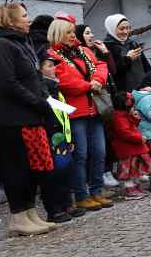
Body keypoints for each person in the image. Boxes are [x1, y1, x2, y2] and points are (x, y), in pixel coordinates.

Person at [0, 1, 58, 237]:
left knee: (31, 168)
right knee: (16, 169)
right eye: (25, 16)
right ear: (10, 21)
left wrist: (45, 95)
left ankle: (29, 213)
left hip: (28, 116)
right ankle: (18, 217)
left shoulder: (20, 43)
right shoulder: (1, 46)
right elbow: (7, 84)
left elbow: (32, 78)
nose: (29, 20)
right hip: (10, 119)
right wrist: (37, 102)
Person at [46, 18, 111, 212]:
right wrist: (89, 85)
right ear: (58, 33)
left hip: (94, 109)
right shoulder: (52, 55)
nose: (73, 35)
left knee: (99, 152)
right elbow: (63, 81)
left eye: (73, 31)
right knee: (81, 154)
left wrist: (98, 80)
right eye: (68, 32)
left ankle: (97, 191)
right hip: (75, 112)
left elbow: (101, 65)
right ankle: (82, 195)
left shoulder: (83, 51)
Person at [37, 53, 77, 223]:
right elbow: (51, 111)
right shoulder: (43, 87)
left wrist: (69, 138)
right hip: (52, 136)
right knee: (55, 172)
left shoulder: (54, 86)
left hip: (61, 137)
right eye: (49, 66)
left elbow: (64, 114)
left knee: (65, 169)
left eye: (53, 66)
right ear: (40, 69)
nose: (53, 69)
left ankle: (66, 204)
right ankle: (55, 209)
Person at [104, 15, 151, 94]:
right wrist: (128, 58)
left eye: (128, 28)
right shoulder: (106, 47)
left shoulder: (133, 44)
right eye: (121, 29)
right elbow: (112, 70)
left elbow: (146, 65)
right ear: (112, 29)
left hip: (142, 90)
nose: (125, 32)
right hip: (123, 94)